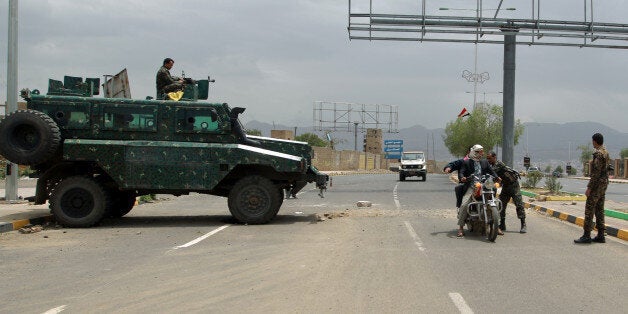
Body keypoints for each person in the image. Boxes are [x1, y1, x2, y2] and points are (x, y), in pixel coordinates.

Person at [456, 144, 498, 237]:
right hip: (472, 186)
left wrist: (496, 177)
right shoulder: (466, 162)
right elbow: (461, 172)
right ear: (474, 153)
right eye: (479, 152)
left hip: (484, 185)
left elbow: (491, 171)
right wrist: (462, 177)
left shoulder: (485, 162)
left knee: (496, 202)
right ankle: (461, 227)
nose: (481, 154)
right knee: (464, 204)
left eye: (482, 152)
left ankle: (496, 226)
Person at [575, 133, 609, 244]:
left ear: (595, 141)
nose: (592, 143)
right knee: (600, 209)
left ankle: (586, 235)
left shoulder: (598, 154)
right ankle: (600, 235)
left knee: (589, 209)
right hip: (604, 184)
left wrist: (589, 188)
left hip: (597, 185)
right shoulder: (605, 152)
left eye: (592, 141)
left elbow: (596, 173)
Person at [486, 151, 527, 234]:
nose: (488, 160)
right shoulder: (491, 165)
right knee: (502, 205)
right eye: (487, 159)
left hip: (514, 185)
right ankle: (502, 224)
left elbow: (491, 173)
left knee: (519, 204)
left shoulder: (498, 164)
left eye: (489, 158)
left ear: (494, 157)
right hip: (506, 186)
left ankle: (523, 224)